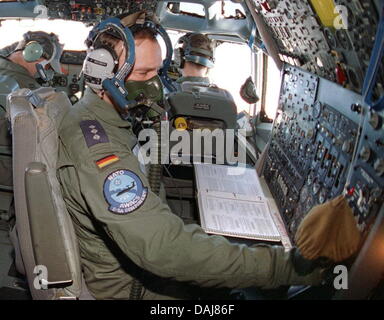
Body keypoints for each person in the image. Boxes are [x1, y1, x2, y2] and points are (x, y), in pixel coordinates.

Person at [57, 16, 348, 300]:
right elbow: (161, 249)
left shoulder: (109, 120)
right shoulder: (97, 147)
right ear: (101, 72)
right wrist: (286, 267)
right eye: (144, 74)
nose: (155, 86)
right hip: (133, 287)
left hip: (143, 262)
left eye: (158, 72)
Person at [0, 31, 63, 220]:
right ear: (33, 53)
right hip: (8, 170)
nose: (43, 72)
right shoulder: (27, 89)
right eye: (45, 66)